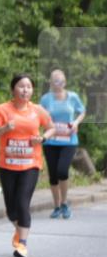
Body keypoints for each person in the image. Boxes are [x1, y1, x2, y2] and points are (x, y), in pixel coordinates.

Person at [0, 74, 56, 257]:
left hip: (31, 164)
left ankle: (22, 244)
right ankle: (19, 231)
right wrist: (4, 129)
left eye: (28, 87)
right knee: (11, 210)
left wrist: (42, 138)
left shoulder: (38, 110)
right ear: (13, 90)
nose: (25, 90)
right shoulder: (2, 109)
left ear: (32, 90)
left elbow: (51, 127)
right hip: (7, 164)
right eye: (21, 86)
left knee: (22, 203)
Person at [39, 69, 86, 219]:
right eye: (55, 81)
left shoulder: (73, 97)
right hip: (51, 141)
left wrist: (76, 122)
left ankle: (65, 203)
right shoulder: (46, 99)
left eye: (61, 81)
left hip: (69, 141)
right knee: (53, 175)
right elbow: (39, 115)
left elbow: (82, 111)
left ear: (65, 82)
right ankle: (56, 206)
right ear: (51, 83)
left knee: (62, 171)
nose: (58, 84)